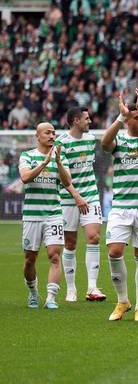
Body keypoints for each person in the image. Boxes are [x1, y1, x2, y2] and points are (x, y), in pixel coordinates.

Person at [101, 88, 138, 322]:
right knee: (115, 252)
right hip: (121, 207)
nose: (137, 120)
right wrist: (121, 117)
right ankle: (122, 300)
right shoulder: (120, 141)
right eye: (135, 117)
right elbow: (104, 143)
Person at [20, 123, 78, 309]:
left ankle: (51, 297)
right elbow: (25, 177)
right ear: (38, 136)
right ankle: (33, 292)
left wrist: (58, 162)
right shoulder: (27, 156)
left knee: (55, 256)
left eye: (54, 132)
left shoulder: (60, 157)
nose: (52, 135)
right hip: (32, 216)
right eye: (48, 133)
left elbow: (67, 181)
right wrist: (44, 163)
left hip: (53, 214)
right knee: (30, 259)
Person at [57, 107, 106, 302]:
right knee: (70, 243)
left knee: (93, 237)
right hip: (69, 198)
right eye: (87, 118)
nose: (90, 121)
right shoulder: (61, 143)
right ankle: (71, 289)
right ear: (76, 121)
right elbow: (64, 177)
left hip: (91, 195)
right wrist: (77, 197)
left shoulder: (91, 139)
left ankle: (92, 287)